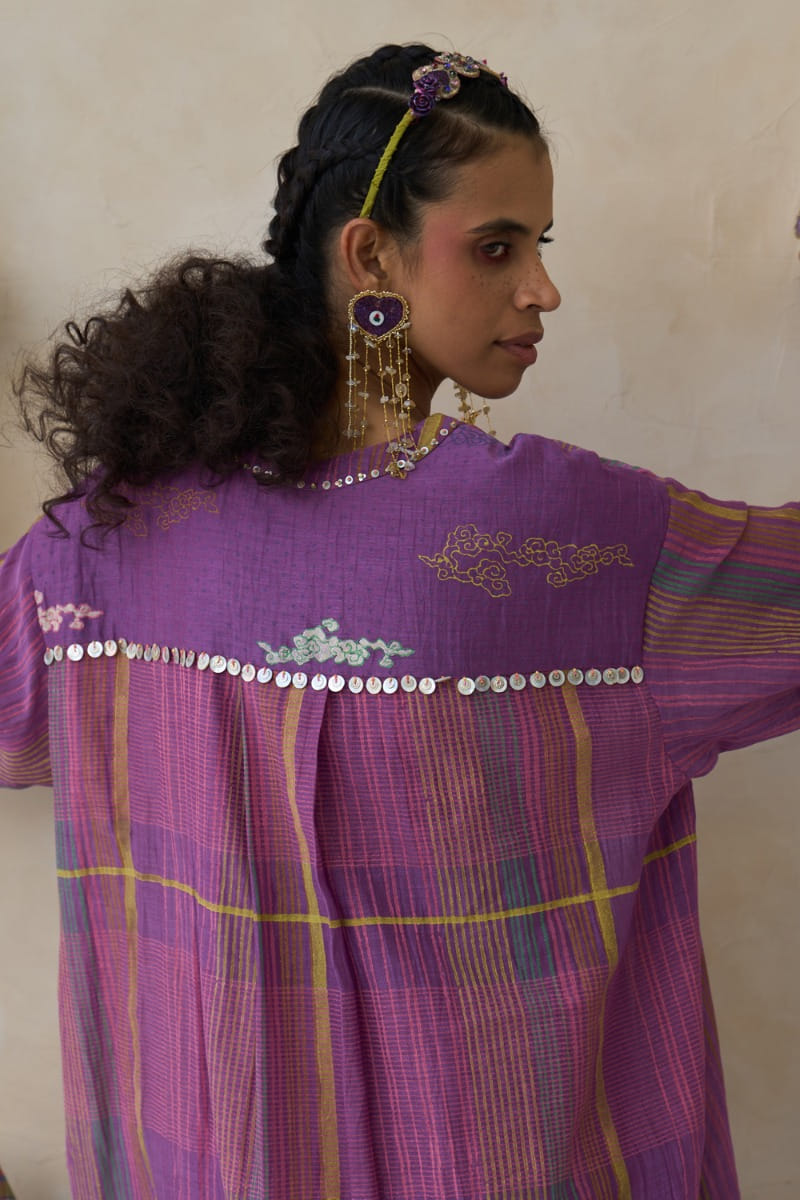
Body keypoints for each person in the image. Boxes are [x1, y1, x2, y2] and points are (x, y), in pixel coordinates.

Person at [0, 40, 797, 1200]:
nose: (542, 289)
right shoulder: (581, 545)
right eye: (496, 246)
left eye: (540, 245)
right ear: (370, 255)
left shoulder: (97, 541)